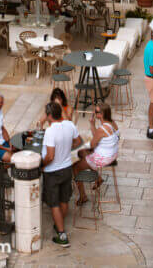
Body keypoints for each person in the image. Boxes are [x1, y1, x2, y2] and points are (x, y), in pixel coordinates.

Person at [41, 100, 82, 247]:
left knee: (54, 203)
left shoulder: (50, 131)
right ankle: (59, 225)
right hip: (66, 168)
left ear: (49, 115)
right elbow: (78, 141)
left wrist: (41, 166)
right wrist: (66, 149)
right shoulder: (70, 125)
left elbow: (50, 156)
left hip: (52, 172)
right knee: (64, 200)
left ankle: (62, 235)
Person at [74, 103, 120, 204]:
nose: (94, 113)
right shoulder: (112, 123)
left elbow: (92, 144)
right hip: (113, 154)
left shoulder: (101, 129)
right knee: (82, 153)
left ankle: (83, 196)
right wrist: (92, 125)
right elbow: (99, 137)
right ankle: (98, 178)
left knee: (76, 166)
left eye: (96, 112)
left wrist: (91, 125)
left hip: (104, 157)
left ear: (101, 114)